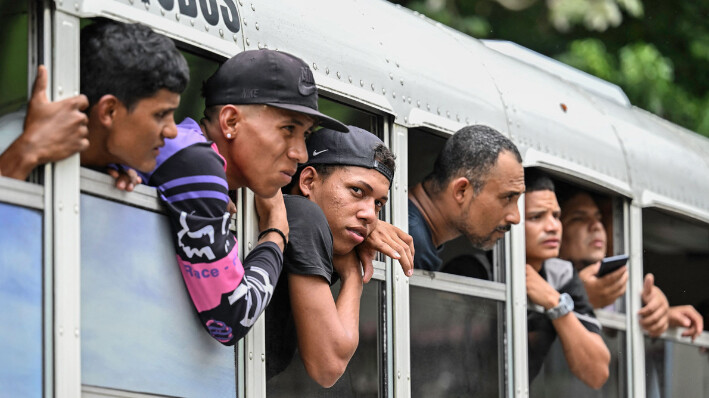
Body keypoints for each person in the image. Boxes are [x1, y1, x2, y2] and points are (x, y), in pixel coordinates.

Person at [265, 125, 412, 387]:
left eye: (378, 203)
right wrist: (353, 274)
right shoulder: (303, 214)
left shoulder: (304, 219)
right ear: (308, 181)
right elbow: (329, 366)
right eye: (357, 191)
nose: (370, 215)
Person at [558, 190, 704, 340]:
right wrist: (580, 298)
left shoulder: (617, 285)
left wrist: (660, 313)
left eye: (599, 217)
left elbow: (613, 329)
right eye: (578, 218)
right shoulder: (545, 282)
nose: (596, 226)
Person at [524, 170, 610, 389]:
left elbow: (597, 373)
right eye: (536, 217)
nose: (553, 226)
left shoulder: (560, 274)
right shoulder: (478, 268)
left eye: (556, 216)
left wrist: (555, 303)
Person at [408, 125, 524, 271]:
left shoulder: (415, 231)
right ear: (461, 191)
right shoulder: (410, 243)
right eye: (507, 197)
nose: (516, 217)